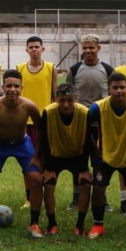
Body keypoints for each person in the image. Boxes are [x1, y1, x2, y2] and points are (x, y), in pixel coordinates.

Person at [0, 70, 43, 237]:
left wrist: (36, 155)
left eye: (16, 86)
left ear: (22, 87)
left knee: (36, 179)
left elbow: (41, 129)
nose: (12, 89)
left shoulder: (30, 106)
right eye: (9, 86)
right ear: (3, 87)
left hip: (22, 144)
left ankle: (34, 224)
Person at [66, 33, 125, 214]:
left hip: (101, 120)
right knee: (79, 158)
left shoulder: (108, 69)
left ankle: (103, 199)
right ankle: (77, 198)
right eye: (85, 48)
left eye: (91, 47)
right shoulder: (74, 69)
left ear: (98, 48)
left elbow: (113, 95)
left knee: (101, 159)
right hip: (81, 120)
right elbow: (69, 94)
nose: (88, 51)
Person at [87, 73, 126, 241]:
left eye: (122, 87)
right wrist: (95, 150)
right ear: (109, 89)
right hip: (105, 155)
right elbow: (88, 133)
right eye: (115, 87)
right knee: (99, 188)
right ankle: (98, 224)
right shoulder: (97, 108)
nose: (119, 91)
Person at [34, 83, 92, 237]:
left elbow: (88, 141)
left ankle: (80, 225)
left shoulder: (85, 113)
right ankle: (52, 224)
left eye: (70, 100)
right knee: (49, 184)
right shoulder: (48, 112)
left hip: (77, 156)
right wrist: (48, 168)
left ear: (76, 100)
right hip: (55, 156)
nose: (66, 104)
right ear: (55, 100)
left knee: (85, 184)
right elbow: (45, 140)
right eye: (62, 100)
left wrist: (85, 168)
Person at [17, 36, 57, 209]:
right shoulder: (20, 69)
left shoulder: (50, 68)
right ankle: (29, 198)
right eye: (31, 47)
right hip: (25, 121)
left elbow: (55, 95)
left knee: (45, 158)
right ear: (27, 50)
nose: (34, 49)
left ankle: (46, 194)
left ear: (43, 49)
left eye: (37, 47)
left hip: (43, 121)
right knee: (27, 159)